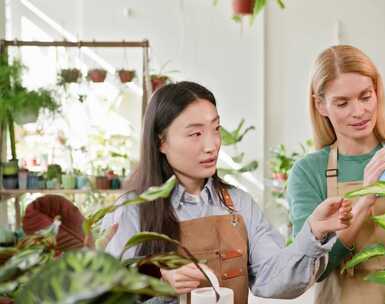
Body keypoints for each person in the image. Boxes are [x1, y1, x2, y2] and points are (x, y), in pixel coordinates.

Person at [103, 81, 353, 304]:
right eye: (195, 133)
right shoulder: (130, 210)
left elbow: (275, 279)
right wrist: (157, 283)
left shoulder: (238, 204)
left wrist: (314, 232)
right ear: (161, 142)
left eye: (216, 129)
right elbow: (102, 292)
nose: (211, 145)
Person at [287, 45, 385, 304]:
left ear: (377, 92)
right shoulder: (309, 172)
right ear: (321, 105)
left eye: (365, 96)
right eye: (343, 103)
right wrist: (367, 198)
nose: (358, 111)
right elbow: (313, 269)